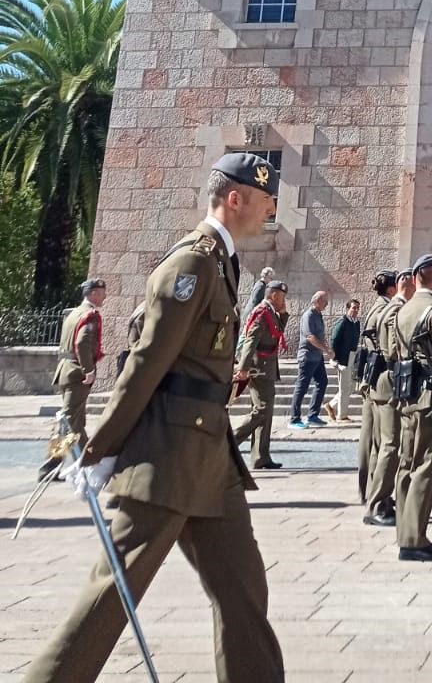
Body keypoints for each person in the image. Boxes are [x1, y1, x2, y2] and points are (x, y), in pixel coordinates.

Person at [25, 152, 286, 683]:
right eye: (265, 200)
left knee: (243, 593)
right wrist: (100, 449)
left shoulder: (222, 260)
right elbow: (147, 361)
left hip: (210, 456)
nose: (271, 210)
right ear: (234, 198)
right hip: (168, 457)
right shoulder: (192, 262)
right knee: (111, 595)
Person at [390, 254, 432, 559]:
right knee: (426, 465)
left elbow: (394, 352)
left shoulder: (402, 311)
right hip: (431, 397)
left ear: (415, 277)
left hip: (406, 394)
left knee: (406, 464)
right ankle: (415, 538)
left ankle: (405, 532)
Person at [363, 267, 415, 525]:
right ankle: (377, 505)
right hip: (388, 381)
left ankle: (377, 497)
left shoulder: (382, 307)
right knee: (390, 445)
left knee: (380, 445)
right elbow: (396, 349)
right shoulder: (393, 310)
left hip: (379, 381)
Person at [44, 278, 107, 472]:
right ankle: (50, 465)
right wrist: (88, 370)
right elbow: (81, 343)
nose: (105, 296)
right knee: (68, 420)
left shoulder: (73, 314)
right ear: (94, 293)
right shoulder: (90, 315)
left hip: (65, 370)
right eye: (103, 292)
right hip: (76, 374)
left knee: (77, 423)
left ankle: (90, 462)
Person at [232, 278, 288, 469]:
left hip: (267, 367)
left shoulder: (272, 312)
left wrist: (284, 314)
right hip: (259, 367)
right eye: (282, 297)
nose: (284, 301)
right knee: (262, 410)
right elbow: (251, 340)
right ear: (273, 295)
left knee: (267, 412)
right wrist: (243, 368)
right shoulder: (262, 312)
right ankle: (229, 442)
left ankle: (260, 456)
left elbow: (277, 332)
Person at [358, 270, 399, 505]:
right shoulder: (386, 309)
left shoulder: (375, 306)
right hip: (380, 375)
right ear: (392, 289)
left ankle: (367, 489)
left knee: (370, 439)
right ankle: (373, 490)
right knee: (379, 441)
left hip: (370, 376)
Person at [288, 290, 330, 429]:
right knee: (302, 386)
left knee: (322, 382)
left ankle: (313, 415)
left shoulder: (319, 315)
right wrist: (326, 350)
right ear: (317, 301)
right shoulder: (309, 316)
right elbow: (310, 337)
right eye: (325, 300)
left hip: (317, 357)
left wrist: (324, 349)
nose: (327, 303)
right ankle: (294, 419)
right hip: (307, 357)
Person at [331, 298, 361, 421]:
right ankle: (341, 415)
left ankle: (332, 404)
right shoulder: (342, 322)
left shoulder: (356, 323)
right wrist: (335, 358)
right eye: (353, 308)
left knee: (353, 384)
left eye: (357, 308)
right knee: (343, 387)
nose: (355, 310)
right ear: (348, 308)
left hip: (353, 356)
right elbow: (334, 340)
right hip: (343, 357)